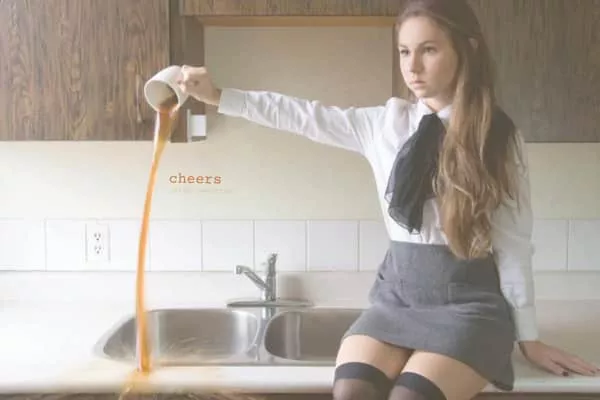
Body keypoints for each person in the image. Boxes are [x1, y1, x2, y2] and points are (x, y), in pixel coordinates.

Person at [176, 0, 600, 399]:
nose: (412, 67)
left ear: (467, 49)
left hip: (469, 306)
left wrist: (529, 337)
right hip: (397, 298)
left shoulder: (498, 137)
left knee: (410, 396)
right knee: (352, 391)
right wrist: (218, 96)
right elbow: (300, 115)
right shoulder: (386, 125)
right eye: (404, 52)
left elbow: (513, 243)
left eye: (428, 50)